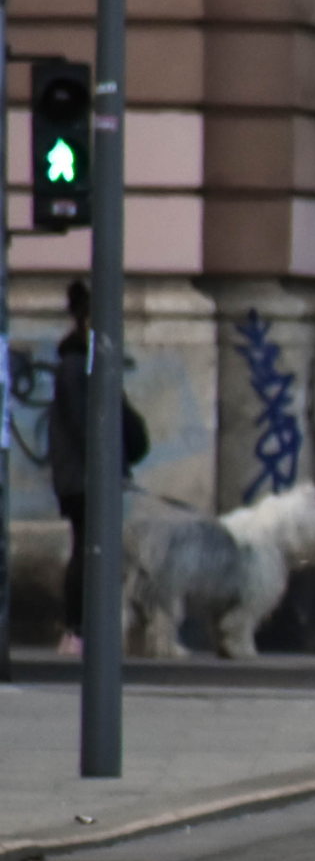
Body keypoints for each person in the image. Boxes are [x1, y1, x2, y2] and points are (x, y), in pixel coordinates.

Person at [47, 280, 150, 657]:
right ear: (88, 319)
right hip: (82, 477)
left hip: (92, 474)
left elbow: (119, 421)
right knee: (86, 548)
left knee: (93, 548)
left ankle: (87, 627)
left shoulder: (93, 363)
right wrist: (110, 462)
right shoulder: (76, 368)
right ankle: (75, 629)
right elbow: (85, 425)